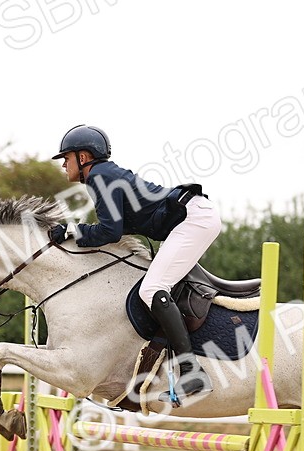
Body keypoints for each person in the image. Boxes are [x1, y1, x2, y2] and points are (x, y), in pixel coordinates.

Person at [49, 124, 221, 405]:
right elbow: (116, 229)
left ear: (83, 158)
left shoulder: (100, 176)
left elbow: (109, 233)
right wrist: (75, 231)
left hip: (194, 218)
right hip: (193, 217)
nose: (63, 165)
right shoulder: (105, 175)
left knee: (152, 289)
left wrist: (72, 230)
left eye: (66, 158)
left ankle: (192, 371)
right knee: (154, 287)